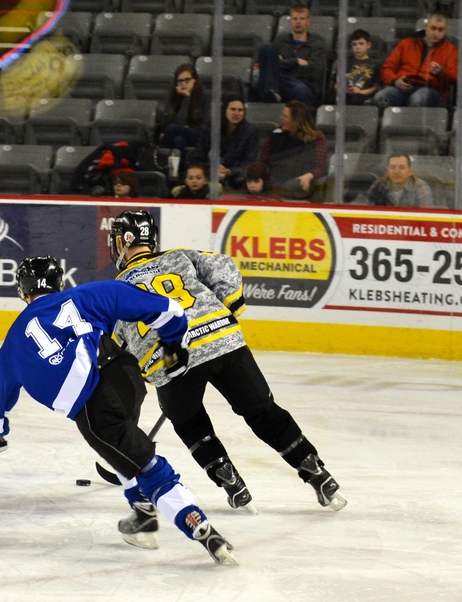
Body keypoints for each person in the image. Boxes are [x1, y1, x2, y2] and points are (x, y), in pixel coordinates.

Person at [0, 256, 238, 566]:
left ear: (24, 292)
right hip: (127, 378)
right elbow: (170, 310)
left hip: (93, 407)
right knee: (122, 449)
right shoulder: (89, 294)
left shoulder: (15, 338)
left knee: (144, 464)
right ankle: (141, 512)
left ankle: (199, 527)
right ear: (59, 283)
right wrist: (173, 348)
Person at [107, 210, 346, 514]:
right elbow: (225, 267)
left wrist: (147, 367)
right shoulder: (181, 256)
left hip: (169, 357)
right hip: (223, 340)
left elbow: (118, 342)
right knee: (262, 412)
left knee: (189, 421)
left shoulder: (115, 289)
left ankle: (228, 478)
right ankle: (315, 471)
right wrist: (226, 306)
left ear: (124, 241)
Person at [372, 13, 459, 108]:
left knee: (416, 100)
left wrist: (441, 72)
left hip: (432, 90)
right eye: (433, 28)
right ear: (426, 27)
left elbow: (455, 77)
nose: (436, 33)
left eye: (440, 30)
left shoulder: (451, 50)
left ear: (446, 31)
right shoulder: (406, 44)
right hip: (402, 88)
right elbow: (387, 68)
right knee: (380, 97)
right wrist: (395, 81)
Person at [248, 100, 327, 200]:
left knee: (289, 186)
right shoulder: (275, 135)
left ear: (296, 120)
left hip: (298, 185)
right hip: (273, 185)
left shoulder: (315, 138)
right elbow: (263, 162)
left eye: (285, 116)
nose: (281, 118)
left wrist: (310, 175)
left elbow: (322, 167)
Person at [253, 4, 327, 108]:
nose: (298, 22)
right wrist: (296, 62)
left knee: (300, 90)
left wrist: (283, 62)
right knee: (267, 48)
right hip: (279, 80)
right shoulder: (281, 40)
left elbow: (314, 72)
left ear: (308, 21)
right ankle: (270, 93)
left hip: (302, 83)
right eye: (295, 18)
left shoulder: (317, 45)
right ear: (290, 21)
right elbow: (269, 63)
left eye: (302, 19)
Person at [192, 99, 259, 191]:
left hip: (235, 179)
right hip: (208, 175)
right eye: (233, 109)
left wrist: (230, 171)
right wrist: (209, 168)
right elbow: (197, 156)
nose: (236, 113)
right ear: (225, 110)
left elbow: (249, 162)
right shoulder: (210, 128)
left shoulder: (250, 132)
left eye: (240, 110)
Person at [157, 64, 209, 154]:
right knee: (179, 141)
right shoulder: (173, 95)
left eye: (187, 80)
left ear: (195, 80)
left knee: (172, 129)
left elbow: (205, 126)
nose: (183, 84)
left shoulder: (205, 95)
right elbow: (178, 122)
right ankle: (179, 167)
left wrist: (187, 98)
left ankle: (160, 160)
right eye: (180, 81)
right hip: (178, 133)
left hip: (199, 135)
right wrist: (186, 99)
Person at [365, 153, 434, 208]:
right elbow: (365, 212)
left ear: (410, 171)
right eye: (393, 167)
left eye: (402, 167)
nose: (397, 171)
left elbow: (425, 220)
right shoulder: (378, 185)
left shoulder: (421, 187)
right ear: (387, 171)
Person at [342, 29, 382, 105]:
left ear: (368, 45)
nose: (358, 47)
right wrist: (344, 90)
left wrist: (360, 92)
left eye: (361, 44)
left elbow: (376, 87)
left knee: (356, 99)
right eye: (354, 44)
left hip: (364, 96)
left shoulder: (375, 64)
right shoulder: (345, 63)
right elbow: (336, 84)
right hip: (345, 95)